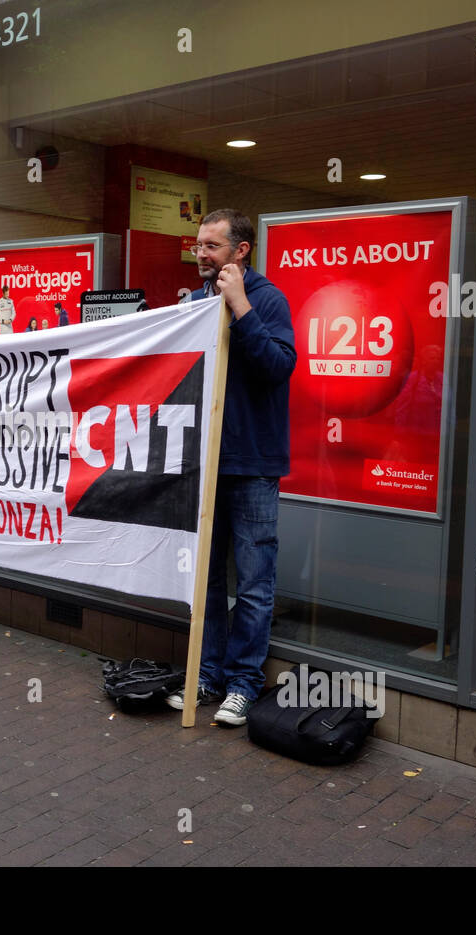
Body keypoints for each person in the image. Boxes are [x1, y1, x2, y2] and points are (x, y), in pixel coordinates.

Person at [165, 209, 296, 727]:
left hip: (254, 464)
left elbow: (279, 367)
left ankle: (243, 684)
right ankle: (208, 673)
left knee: (256, 579)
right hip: (206, 462)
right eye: (198, 245)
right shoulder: (194, 303)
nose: (201, 254)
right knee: (208, 580)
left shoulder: (267, 299)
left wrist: (240, 306)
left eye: (212, 246)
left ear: (241, 251)